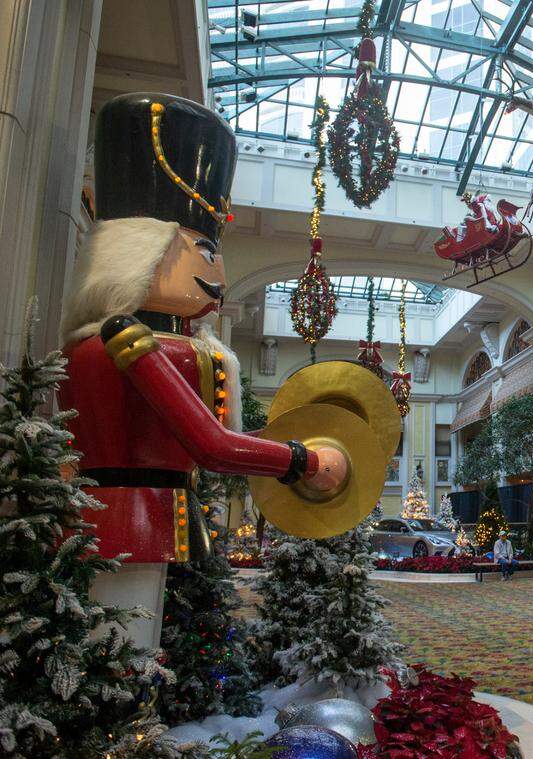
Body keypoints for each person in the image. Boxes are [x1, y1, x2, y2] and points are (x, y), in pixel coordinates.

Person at [56, 93, 346, 648]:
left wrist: (285, 443)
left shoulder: (153, 342)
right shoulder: (126, 341)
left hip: (162, 511)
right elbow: (211, 446)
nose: (217, 273)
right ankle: (128, 733)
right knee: (124, 643)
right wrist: (301, 459)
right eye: (203, 250)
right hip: (128, 517)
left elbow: (214, 442)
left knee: (143, 637)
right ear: (140, 252)